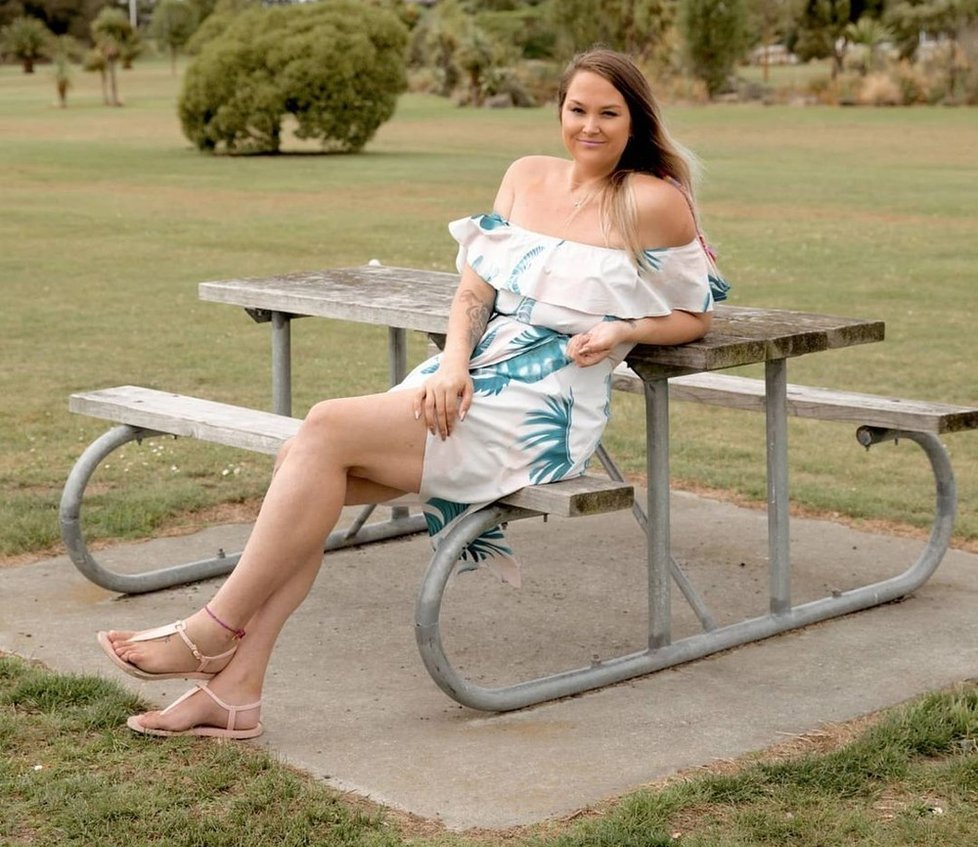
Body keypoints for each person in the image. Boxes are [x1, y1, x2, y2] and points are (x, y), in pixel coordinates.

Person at [98, 47, 725, 739]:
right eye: (578, 109)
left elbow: (694, 311)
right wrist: (453, 361)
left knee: (323, 429)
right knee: (311, 468)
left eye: (610, 113)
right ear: (559, 110)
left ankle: (210, 630)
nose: (591, 126)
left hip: (544, 407)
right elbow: (474, 288)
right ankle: (236, 692)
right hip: (463, 379)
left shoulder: (653, 201)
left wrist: (622, 329)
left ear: (635, 119)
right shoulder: (525, 178)